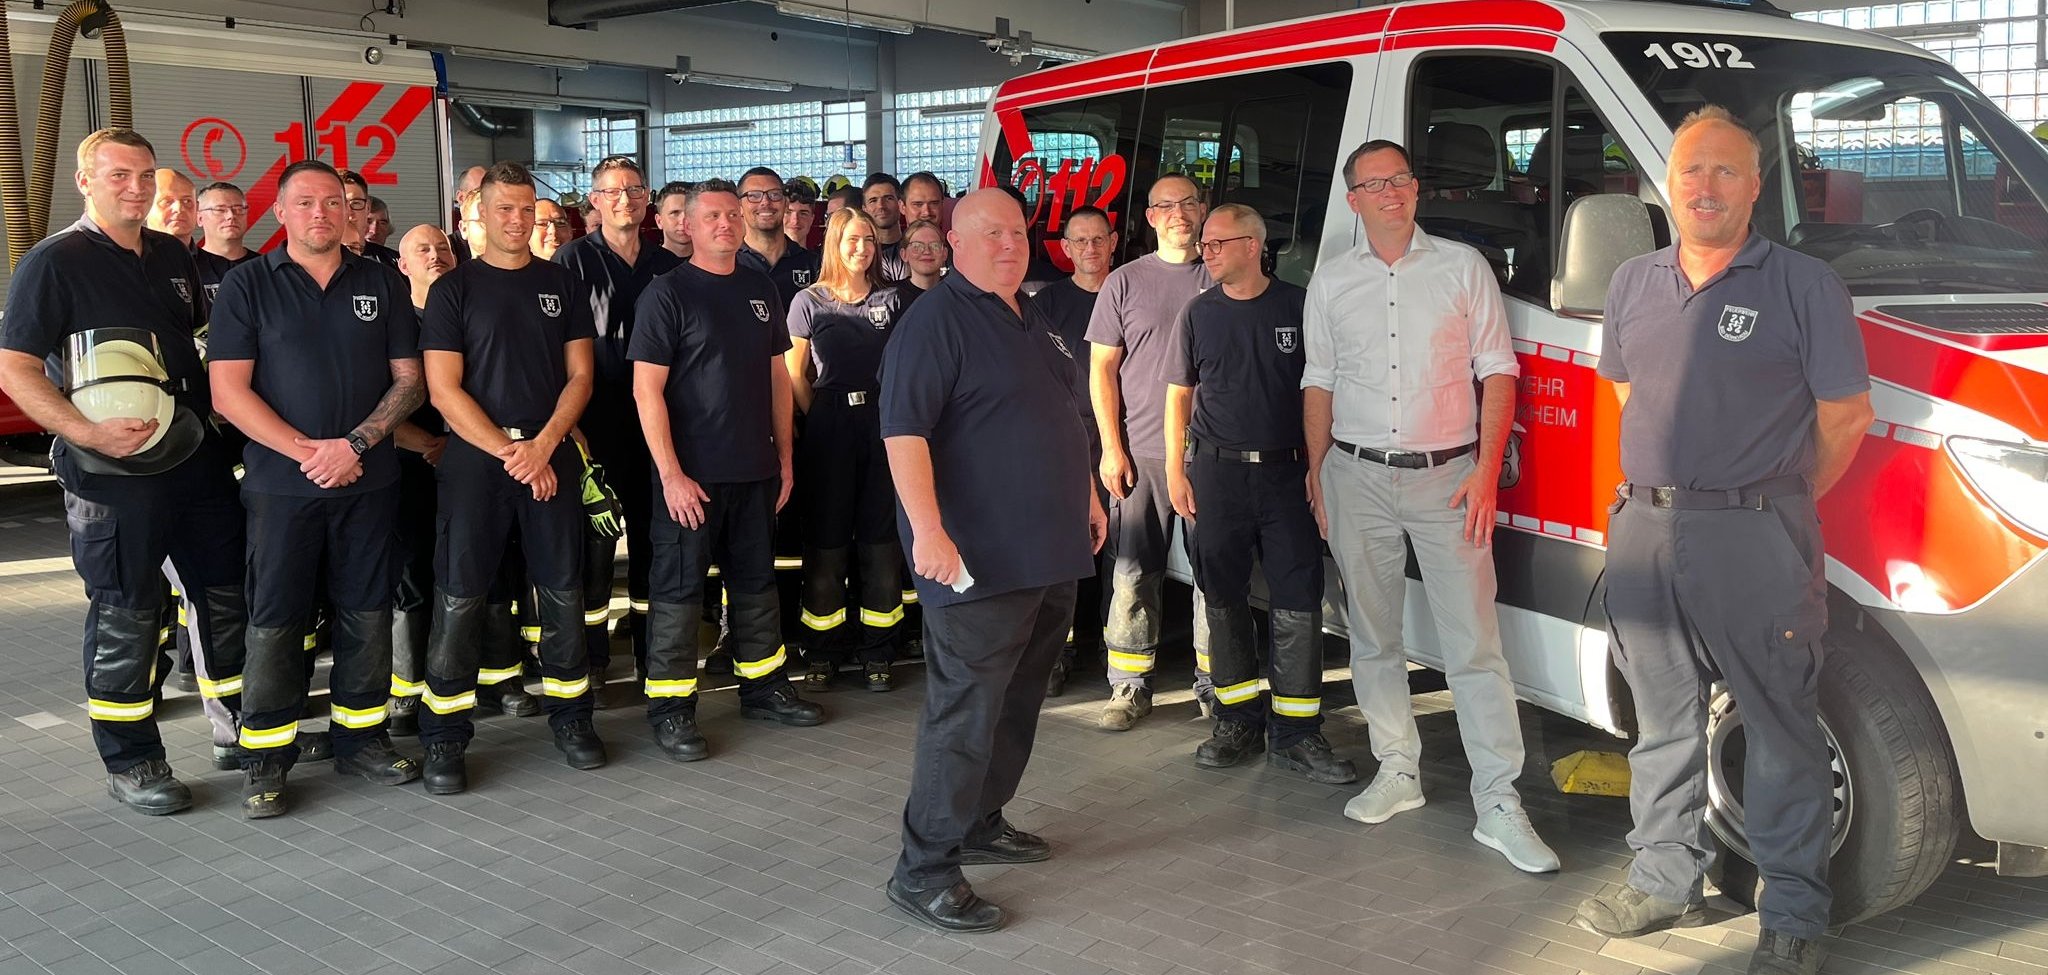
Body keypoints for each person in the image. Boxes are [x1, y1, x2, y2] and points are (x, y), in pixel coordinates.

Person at [1571, 108, 1873, 975]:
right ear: (1666, 183)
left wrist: (1769, 498)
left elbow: (1846, 416)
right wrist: (1671, 494)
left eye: (1725, 172)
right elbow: (1627, 391)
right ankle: (1664, 879)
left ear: (1754, 185)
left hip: (1756, 536)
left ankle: (1793, 915)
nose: (1703, 187)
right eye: (1689, 170)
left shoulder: (1804, 285)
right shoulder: (1632, 281)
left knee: (1779, 728)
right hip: (1646, 531)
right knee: (1660, 721)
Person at [1303, 139, 1559, 873]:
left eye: (1401, 179)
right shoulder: (1332, 281)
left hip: (1449, 480)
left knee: (1474, 645)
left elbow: (1498, 372)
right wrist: (1318, 470)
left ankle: (1500, 802)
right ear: (1352, 199)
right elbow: (1318, 380)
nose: (1390, 192)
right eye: (1373, 184)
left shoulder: (1461, 268)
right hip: (1355, 474)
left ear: (1416, 189)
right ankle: (1398, 770)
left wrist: (1485, 469)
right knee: (1373, 636)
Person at [0, 129, 249, 815]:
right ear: (85, 180)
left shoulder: (172, 254)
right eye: (118, 175)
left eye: (144, 175)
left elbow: (199, 345)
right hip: (111, 475)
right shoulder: (53, 263)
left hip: (195, 463)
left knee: (225, 597)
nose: (135, 188)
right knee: (128, 611)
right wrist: (85, 431)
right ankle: (132, 758)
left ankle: (243, 732)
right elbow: (14, 367)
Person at [880, 189, 1107, 933]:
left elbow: (1057, 415)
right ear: (954, 240)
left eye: (1017, 230)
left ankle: (981, 817)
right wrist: (928, 531)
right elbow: (905, 435)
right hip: (976, 562)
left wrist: (1087, 498)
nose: (1010, 243)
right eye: (992, 232)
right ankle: (925, 870)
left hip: (1047, 552)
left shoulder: (1028, 312)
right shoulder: (935, 322)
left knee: (1015, 701)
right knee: (965, 713)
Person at [207, 159, 424, 817]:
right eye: (306, 203)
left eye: (335, 203)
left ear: (352, 212)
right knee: (276, 620)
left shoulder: (381, 283)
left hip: (369, 481)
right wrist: (312, 452)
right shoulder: (248, 284)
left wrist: (354, 445)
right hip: (283, 487)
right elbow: (227, 391)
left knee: (365, 612)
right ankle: (265, 760)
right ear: (280, 213)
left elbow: (410, 379)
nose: (323, 214)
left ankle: (361, 739)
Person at [418, 162, 604, 792]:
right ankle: (443, 737)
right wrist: (512, 454)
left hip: (551, 454)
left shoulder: (562, 283)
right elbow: (444, 392)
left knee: (561, 590)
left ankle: (572, 719)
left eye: (528, 210)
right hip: (479, 461)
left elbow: (581, 376)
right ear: (478, 214)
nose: (518, 221)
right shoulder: (453, 291)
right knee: (461, 596)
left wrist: (545, 446)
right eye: (505, 210)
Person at [630, 178, 825, 763]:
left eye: (732, 214)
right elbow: (647, 393)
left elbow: (777, 380)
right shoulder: (666, 295)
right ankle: (670, 709)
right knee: (678, 595)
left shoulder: (759, 287)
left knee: (756, 586)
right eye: (713, 215)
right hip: (690, 481)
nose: (726, 224)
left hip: (755, 471)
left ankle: (763, 688)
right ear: (686, 225)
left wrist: (785, 458)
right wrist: (670, 475)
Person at [1162, 204, 1354, 784]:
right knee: (1221, 596)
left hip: (1287, 476)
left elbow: (1321, 393)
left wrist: (1319, 472)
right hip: (1217, 476)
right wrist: (1176, 470)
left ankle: (1297, 733)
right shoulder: (1198, 313)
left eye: (1217, 243)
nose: (1207, 252)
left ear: (1253, 245)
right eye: (1206, 244)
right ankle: (1236, 721)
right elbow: (1179, 396)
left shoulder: (1299, 305)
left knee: (1298, 599)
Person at [1086, 173, 1215, 731]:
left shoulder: (1224, 275)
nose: (1179, 213)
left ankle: (1217, 685)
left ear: (1203, 209)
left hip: (1211, 455)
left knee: (1216, 576)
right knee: (1135, 571)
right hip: (1141, 453)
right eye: (1166, 205)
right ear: (1149, 216)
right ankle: (1130, 687)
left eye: (1188, 203)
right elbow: (1101, 370)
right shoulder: (1124, 282)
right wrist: (1111, 449)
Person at [552, 156, 678, 690]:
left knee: (657, 541)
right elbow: (551, 347)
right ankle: (594, 661)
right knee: (594, 549)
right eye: (612, 191)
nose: (623, 199)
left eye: (633, 189)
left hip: (657, 425)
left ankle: (655, 657)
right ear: (594, 203)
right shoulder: (570, 262)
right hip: (593, 425)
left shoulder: (668, 265)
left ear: (647, 199)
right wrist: (566, 426)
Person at [786, 208, 905, 693]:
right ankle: (823, 651)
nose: (863, 248)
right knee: (828, 543)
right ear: (834, 241)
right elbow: (795, 373)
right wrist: (820, 416)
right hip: (830, 423)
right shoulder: (808, 301)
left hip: (881, 423)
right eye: (854, 240)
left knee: (880, 543)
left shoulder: (891, 301)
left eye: (871, 241)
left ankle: (879, 652)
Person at [1030, 207, 1116, 696]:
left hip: (1121, 438)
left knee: (1122, 555)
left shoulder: (1127, 291)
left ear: (1112, 242)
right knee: (1065, 549)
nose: (1089, 249)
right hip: (1068, 438)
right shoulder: (1046, 304)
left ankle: (1116, 652)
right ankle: (1056, 654)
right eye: (1079, 241)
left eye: (1098, 240)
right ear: (1065, 248)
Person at [386, 224, 456, 736]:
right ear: (402, 265)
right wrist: (428, 444)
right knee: (410, 578)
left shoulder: (470, 311)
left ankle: (474, 678)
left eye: (443, 248)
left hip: (472, 460)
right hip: (409, 465)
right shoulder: (391, 323)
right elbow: (377, 398)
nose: (436, 256)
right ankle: (406, 693)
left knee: (469, 571)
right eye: (422, 250)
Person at [737, 166, 821, 308]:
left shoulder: (815, 264)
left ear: (785, 203)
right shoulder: (728, 264)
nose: (765, 202)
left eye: (774, 194)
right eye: (754, 196)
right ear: (739, 207)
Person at [193, 181, 257, 299]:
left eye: (238, 209)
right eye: (220, 210)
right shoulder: (188, 267)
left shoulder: (265, 267)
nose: (231, 216)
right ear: (200, 218)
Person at [339, 169, 401, 268]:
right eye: (339, 203)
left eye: (356, 203)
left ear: (367, 208)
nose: (348, 213)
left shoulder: (394, 264)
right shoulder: (310, 266)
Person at [859, 173, 912, 282]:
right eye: (873, 200)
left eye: (888, 198)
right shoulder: (860, 253)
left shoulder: (915, 247)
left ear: (900, 204)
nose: (881, 206)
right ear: (864, 209)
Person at [896, 219, 946, 303]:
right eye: (917, 246)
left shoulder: (956, 294)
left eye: (934, 246)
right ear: (904, 255)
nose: (927, 251)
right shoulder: (892, 298)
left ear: (944, 253)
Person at [147, 168, 198, 248]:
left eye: (187, 201)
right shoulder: (128, 260)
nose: (179, 208)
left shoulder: (216, 261)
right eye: (167, 202)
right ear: (144, 208)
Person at [653, 181, 693, 260]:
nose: (683, 221)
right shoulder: (645, 267)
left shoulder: (715, 264)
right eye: (675, 213)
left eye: (690, 212)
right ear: (659, 221)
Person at [784, 178, 820, 249]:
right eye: (788, 212)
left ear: (812, 219)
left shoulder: (822, 260)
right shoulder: (760, 259)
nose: (795, 221)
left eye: (803, 214)